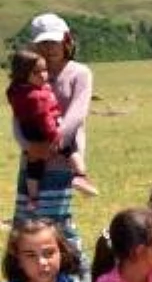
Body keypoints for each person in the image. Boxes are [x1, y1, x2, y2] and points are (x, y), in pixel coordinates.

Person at [10, 14, 95, 257]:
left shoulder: (80, 73)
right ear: (34, 45)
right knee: (26, 223)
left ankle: (75, 279)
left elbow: (78, 113)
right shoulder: (26, 76)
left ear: (66, 40)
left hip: (62, 159)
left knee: (57, 224)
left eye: (53, 42)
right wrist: (27, 146)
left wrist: (55, 141)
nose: (49, 48)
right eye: (43, 43)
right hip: (33, 160)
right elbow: (18, 117)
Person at [7, 49, 96, 209]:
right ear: (23, 73)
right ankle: (80, 176)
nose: (43, 75)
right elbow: (45, 117)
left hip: (30, 134)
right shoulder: (38, 95)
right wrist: (56, 136)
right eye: (36, 72)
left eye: (44, 70)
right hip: (46, 131)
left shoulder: (15, 91)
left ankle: (32, 199)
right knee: (70, 150)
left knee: (34, 165)